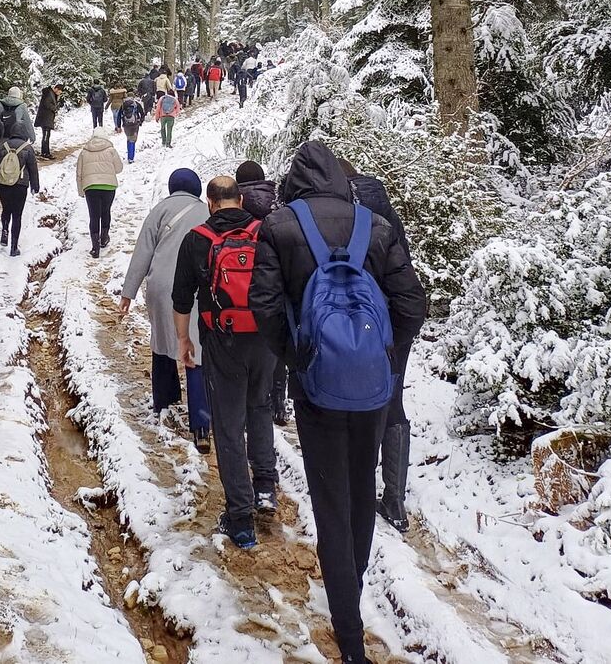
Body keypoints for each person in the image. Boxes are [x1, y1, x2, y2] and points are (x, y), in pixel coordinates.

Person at [249, 141, 426, 664]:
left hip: (316, 385)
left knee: (329, 498)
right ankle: (355, 579)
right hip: (371, 386)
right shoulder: (376, 225)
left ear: (295, 183)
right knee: (360, 485)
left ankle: (348, 633)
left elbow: (263, 305)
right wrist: (386, 361)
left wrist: (296, 358)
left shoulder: (279, 228)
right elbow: (412, 303)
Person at [172, 176, 278, 549]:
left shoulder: (198, 238)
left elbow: (181, 298)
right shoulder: (264, 232)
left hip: (222, 340)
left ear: (210, 202)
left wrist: (184, 341)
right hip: (265, 339)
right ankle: (266, 488)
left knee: (229, 426)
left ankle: (241, 519)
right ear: (242, 199)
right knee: (261, 407)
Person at [339, 158, 415, 533]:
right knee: (394, 401)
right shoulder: (386, 209)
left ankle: (357, 487)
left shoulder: (346, 214)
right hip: (398, 316)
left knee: (360, 403)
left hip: (361, 322)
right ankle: (396, 499)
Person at [121, 169, 212, 452]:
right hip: (196, 288)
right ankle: (201, 425)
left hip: (161, 287)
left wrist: (128, 292)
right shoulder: (206, 213)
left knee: (162, 343)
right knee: (194, 349)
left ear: (172, 187)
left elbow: (142, 253)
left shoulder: (159, 211)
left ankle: (164, 401)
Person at [235, 160, 286, 425]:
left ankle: (247, 405)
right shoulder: (278, 200)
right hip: (276, 279)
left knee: (248, 346)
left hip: (245, 279)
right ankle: (279, 403)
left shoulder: (237, 201)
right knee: (276, 344)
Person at [0, 121, 40, 257]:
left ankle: (5, 230)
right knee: (17, 215)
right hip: (20, 185)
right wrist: (35, 186)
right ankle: (14, 247)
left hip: (3, 184)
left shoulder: (3, 146)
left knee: (6, 210)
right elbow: (33, 169)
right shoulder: (28, 148)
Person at [76, 127, 122, 258]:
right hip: (109, 186)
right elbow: (119, 168)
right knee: (106, 211)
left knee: (94, 216)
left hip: (91, 187)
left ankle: (95, 248)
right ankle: (104, 238)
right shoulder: (111, 150)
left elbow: (79, 173)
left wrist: (81, 190)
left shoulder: (84, 152)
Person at [34, 83, 63, 160]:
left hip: (47, 118)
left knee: (46, 135)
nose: (59, 93)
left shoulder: (51, 94)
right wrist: (54, 108)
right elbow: (47, 104)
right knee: (46, 136)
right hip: (45, 118)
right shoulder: (49, 94)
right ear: (56, 89)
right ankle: (45, 152)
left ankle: (46, 152)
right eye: (59, 92)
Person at [121, 92, 145, 164]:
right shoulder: (136, 104)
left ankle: (129, 155)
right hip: (135, 124)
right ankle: (131, 157)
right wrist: (141, 121)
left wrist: (119, 125)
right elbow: (142, 113)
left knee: (129, 138)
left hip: (126, 125)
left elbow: (120, 115)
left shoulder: (123, 104)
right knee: (133, 140)